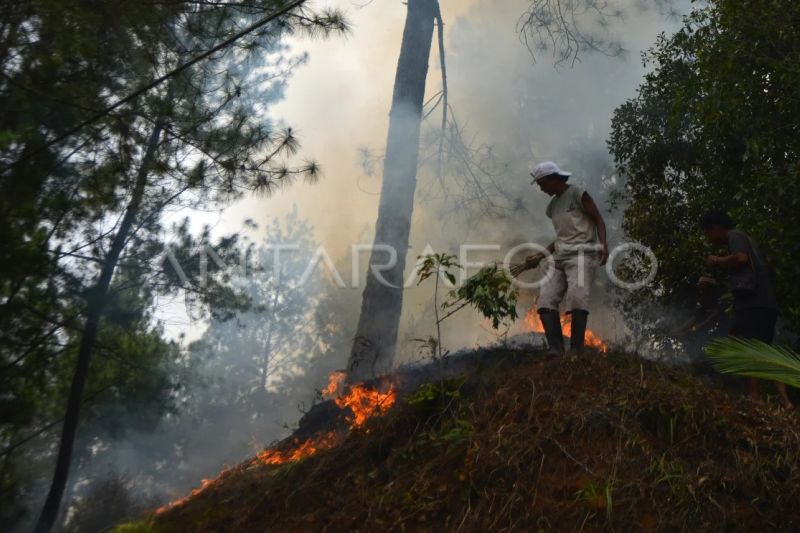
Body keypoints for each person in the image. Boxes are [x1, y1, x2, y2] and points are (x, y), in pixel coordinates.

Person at [701, 209, 793, 409]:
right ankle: (785, 401)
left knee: (741, 345)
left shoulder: (734, 235)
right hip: (765, 303)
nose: (708, 238)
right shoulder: (747, 239)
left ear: (716, 228)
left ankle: (754, 397)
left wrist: (716, 261)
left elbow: (741, 259)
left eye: (708, 232)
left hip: (751, 302)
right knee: (766, 351)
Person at [525, 161, 608, 355]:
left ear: (552, 179)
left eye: (541, 184)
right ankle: (556, 349)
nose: (541, 189)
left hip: (581, 255)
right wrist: (540, 255)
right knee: (545, 302)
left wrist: (603, 244)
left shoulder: (578, 194)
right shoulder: (553, 206)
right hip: (559, 258)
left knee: (578, 298)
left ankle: (576, 351)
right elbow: (562, 238)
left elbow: (598, 219)